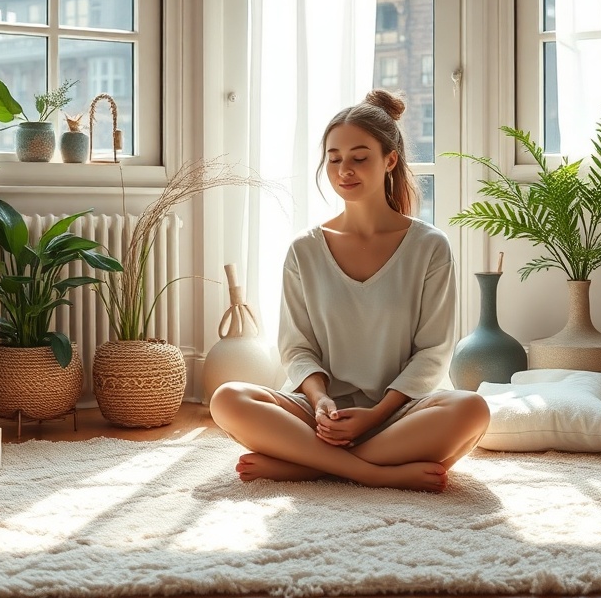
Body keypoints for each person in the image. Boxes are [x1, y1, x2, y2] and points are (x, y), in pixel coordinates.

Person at [210, 89, 490, 492]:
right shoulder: (304, 250)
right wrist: (322, 402)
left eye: (359, 158)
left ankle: (307, 465)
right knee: (228, 398)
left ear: (389, 160)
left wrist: (375, 416)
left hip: (400, 413)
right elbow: (296, 348)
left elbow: (433, 352)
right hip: (319, 413)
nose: (345, 171)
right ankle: (370, 470)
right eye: (335, 159)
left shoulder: (430, 246)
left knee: (472, 409)